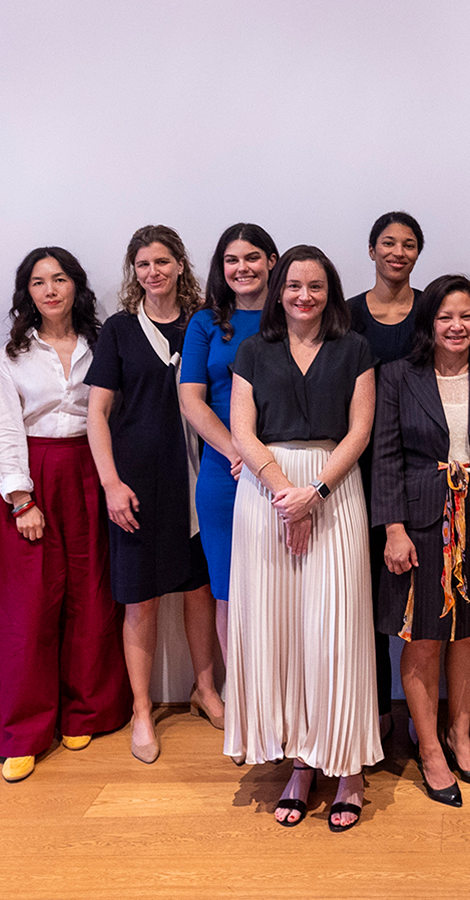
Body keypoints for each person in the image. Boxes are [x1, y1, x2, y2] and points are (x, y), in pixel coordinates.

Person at [225, 244, 382, 832]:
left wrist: (311, 494)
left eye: (316, 286)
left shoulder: (355, 349)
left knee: (334, 632)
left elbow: (360, 430)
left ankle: (347, 769)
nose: (304, 296)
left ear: (330, 292)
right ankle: (299, 762)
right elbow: (242, 429)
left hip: (333, 490)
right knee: (281, 633)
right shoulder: (252, 350)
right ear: (278, 290)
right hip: (266, 497)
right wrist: (281, 492)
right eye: (294, 285)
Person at [0, 247, 130, 782]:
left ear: (76, 286)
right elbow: (3, 428)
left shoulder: (103, 343)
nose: (50, 289)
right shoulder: (12, 356)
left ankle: (85, 710)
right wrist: (20, 498)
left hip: (91, 470)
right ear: (28, 292)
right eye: (39, 281)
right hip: (33, 473)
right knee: (27, 608)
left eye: (60, 278)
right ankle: (22, 730)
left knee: (90, 594)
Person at [371, 274, 470, 807]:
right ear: (428, 323)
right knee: (423, 637)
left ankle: (461, 734)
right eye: (445, 317)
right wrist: (392, 528)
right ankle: (430, 748)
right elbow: (385, 456)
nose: (457, 326)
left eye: (467, 316)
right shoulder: (397, 377)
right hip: (421, 522)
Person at [86, 224, 221, 764]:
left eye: (162, 262)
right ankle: (143, 709)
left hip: (198, 480)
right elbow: (97, 413)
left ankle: (205, 690)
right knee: (139, 602)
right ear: (133, 272)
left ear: (180, 266)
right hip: (136, 487)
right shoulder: (118, 331)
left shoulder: (204, 323)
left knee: (200, 592)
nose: (153, 272)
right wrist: (111, 483)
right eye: (143, 264)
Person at [180, 222, 280, 687]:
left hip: (284, 470)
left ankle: (283, 692)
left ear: (272, 262)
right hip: (225, 473)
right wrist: (238, 451)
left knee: (281, 587)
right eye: (232, 260)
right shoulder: (205, 323)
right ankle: (244, 692)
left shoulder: (293, 313)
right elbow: (192, 400)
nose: (243, 268)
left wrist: (262, 458)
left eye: (253, 257)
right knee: (228, 590)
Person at [347, 211, 425, 742]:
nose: (398, 252)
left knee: (421, 598)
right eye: (388, 243)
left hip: (423, 473)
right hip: (358, 469)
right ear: (371, 250)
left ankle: (426, 719)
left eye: (409, 244)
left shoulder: (433, 312)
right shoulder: (347, 313)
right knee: (365, 596)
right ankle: (373, 712)